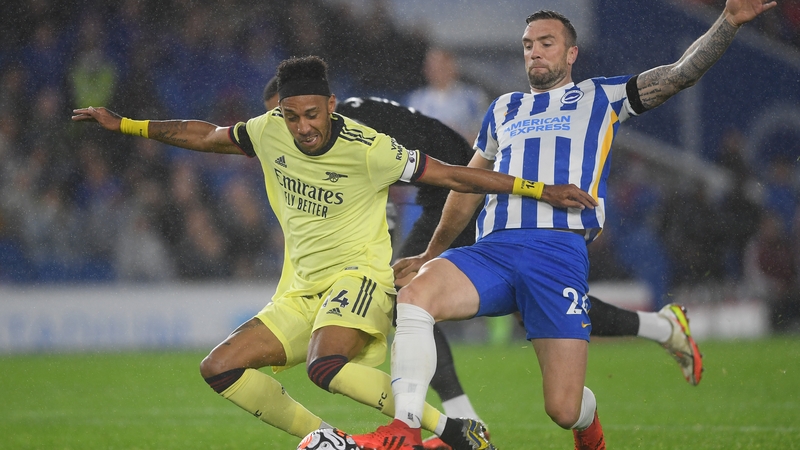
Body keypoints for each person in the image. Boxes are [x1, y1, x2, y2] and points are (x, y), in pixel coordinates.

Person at [72, 56, 596, 450]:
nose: (301, 127)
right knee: (220, 368)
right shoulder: (267, 131)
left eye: (309, 115)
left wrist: (540, 190)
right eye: (290, 116)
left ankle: (445, 429)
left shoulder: (368, 147)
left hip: (361, 278)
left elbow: (454, 174)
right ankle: (334, 441)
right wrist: (127, 125)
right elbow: (204, 135)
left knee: (326, 364)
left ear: (329, 106)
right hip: (300, 290)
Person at [353, 2, 776, 449]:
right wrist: (430, 254)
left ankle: (588, 430)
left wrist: (727, 23)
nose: (535, 52)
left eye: (546, 43)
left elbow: (679, 74)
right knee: (415, 295)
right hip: (491, 250)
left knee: (563, 409)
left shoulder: (601, 97)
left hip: (555, 255)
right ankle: (404, 431)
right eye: (528, 45)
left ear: (571, 53)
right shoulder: (504, 109)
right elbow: (466, 188)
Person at [264, 81, 705, 448]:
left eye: (285, 117)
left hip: (464, 187)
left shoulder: (346, 129)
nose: (288, 130)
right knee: (525, 305)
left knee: (411, 288)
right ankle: (664, 328)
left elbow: (379, 195)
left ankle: (458, 421)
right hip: (448, 186)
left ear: (319, 107)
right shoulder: (339, 125)